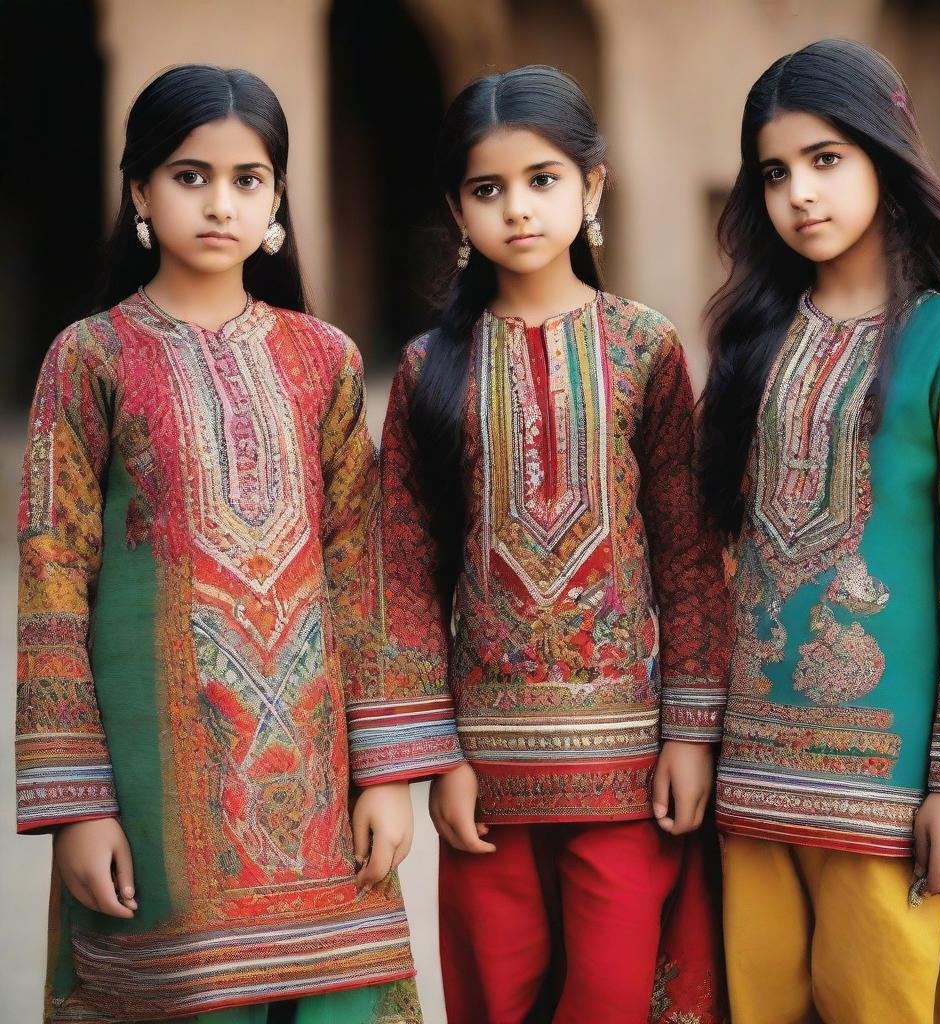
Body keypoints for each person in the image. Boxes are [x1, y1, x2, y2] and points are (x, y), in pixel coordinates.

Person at [15, 64, 424, 1024]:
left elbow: (366, 576)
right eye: (190, 176)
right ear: (139, 193)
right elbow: (50, 581)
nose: (220, 202)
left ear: (278, 200)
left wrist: (390, 774)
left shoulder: (324, 360)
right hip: (159, 798)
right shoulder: (90, 358)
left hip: (324, 801)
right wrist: (77, 803)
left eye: (249, 179)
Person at [378, 65, 730, 1024]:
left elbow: (691, 555)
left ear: (593, 187)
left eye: (543, 180)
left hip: (628, 767)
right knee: (496, 1001)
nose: (519, 210)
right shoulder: (427, 369)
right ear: (457, 208)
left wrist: (692, 734)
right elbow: (405, 573)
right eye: (487, 190)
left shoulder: (645, 348)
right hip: (484, 782)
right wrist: (433, 755)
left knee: (615, 997)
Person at [696, 38, 940, 1024]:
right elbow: (717, 553)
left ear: (886, 153)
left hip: (885, 790)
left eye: (826, 159)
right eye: (775, 172)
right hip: (748, 777)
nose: (799, 192)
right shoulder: (750, 345)